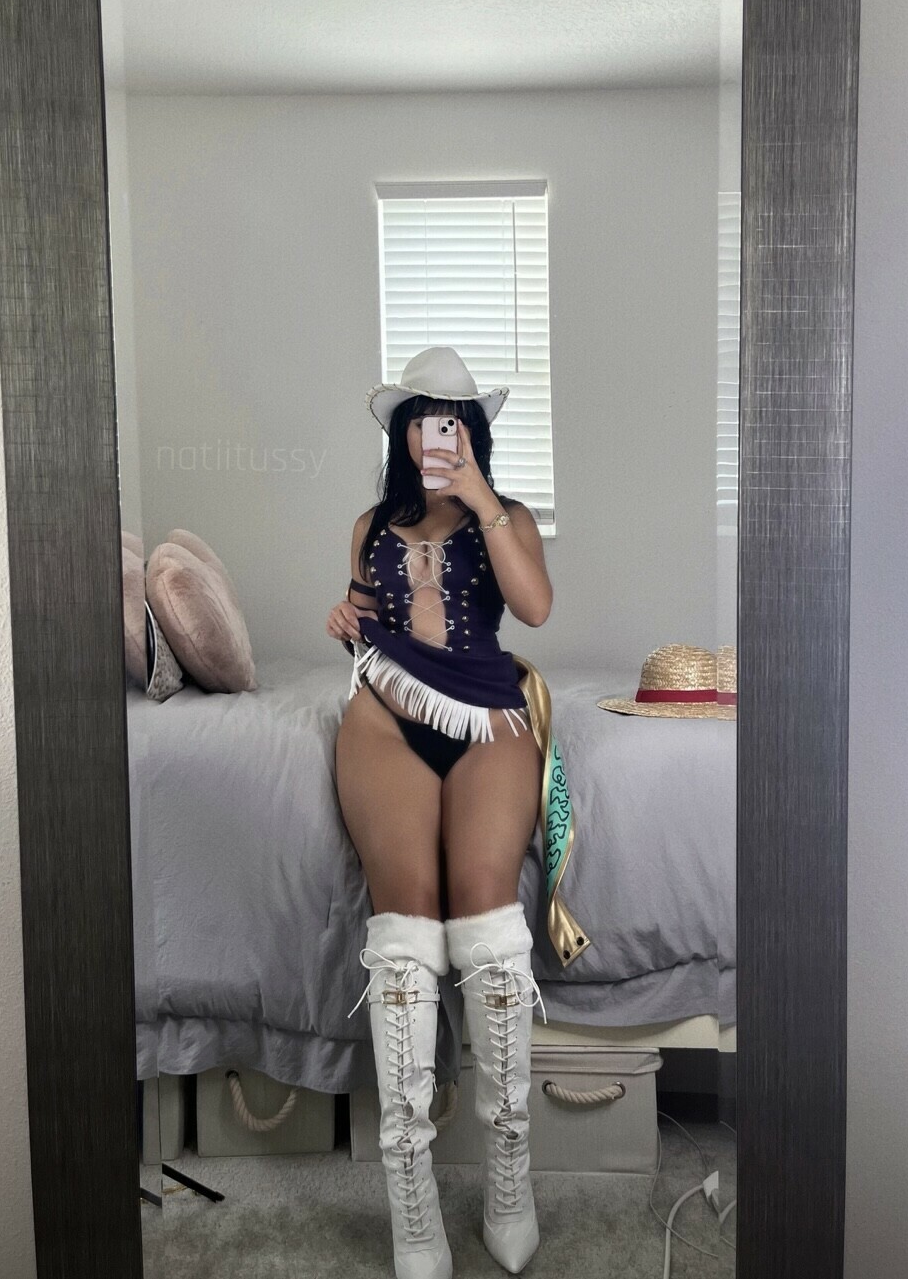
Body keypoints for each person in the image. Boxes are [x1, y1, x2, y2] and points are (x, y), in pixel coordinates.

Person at [328, 345, 552, 1279]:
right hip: (386, 712)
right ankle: (409, 1187)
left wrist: (483, 499)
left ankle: (510, 1168)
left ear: (473, 434)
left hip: (486, 714)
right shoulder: (371, 524)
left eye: (451, 421)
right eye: (421, 419)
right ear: (402, 432)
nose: (435, 435)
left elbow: (535, 607)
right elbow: (362, 613)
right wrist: (344, 618)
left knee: (487, 904)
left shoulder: (509, 515)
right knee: (407, 914)